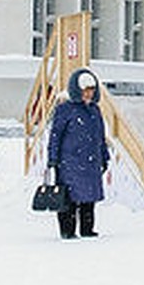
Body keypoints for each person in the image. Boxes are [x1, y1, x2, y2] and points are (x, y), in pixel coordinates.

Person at [46, 68, 109, 240]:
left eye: (91, 90)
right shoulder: (65, 109)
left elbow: (100, 137)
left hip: (91, 162)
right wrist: (53, 159)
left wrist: (104, 157)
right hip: (69, 162)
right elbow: (55, 136)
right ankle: (68, 230)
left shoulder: (95, 111)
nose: (89, 94)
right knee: (69, 198)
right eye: (85, 90)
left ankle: (87, 229)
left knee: (89, 198)